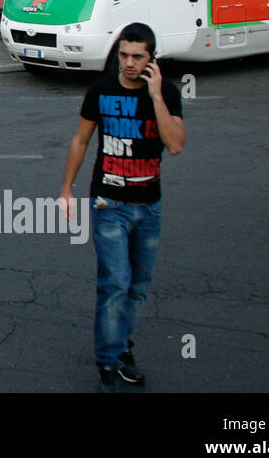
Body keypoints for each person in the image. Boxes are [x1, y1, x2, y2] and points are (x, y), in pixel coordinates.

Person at [58, 22, 185, 392]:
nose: (128, 63)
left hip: (149, 206)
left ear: (152, 59)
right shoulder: (100, 91)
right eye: (123, 55)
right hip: (107, 203)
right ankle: (109, 363)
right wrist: (66, 189)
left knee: (138, 287)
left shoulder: (168, 94)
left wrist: (157, 95)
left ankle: (122, 348)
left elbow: (175, 144)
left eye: (137, 57)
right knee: (115, 282)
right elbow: (81, 141)